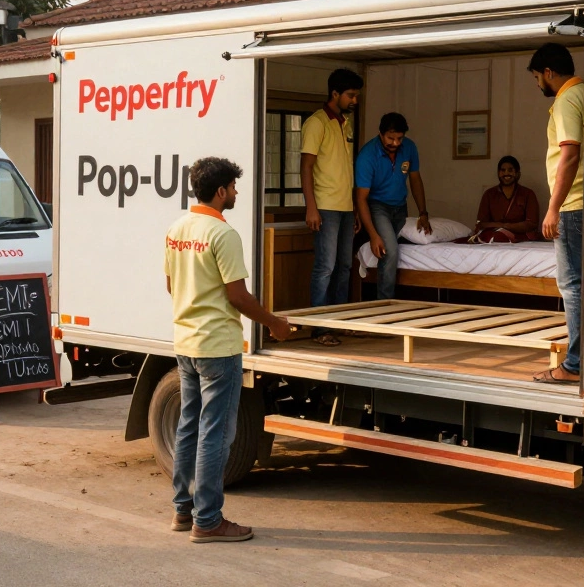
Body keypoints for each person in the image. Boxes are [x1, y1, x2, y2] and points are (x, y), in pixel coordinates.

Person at [164, 157, 292, 543]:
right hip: (218, 347)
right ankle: (209, 520)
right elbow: (237, 295)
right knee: (216, 435)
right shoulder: (223, 234)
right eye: (234, 188)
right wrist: (274, 322)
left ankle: (183, 512)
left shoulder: (177, 229)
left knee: (189, 428)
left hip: (185, 343)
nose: (236, 193)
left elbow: (172, 286)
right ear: (220, 191)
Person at [529, 43, 584, 384]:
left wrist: (553, 208)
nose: (538, 84)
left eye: (538, 77)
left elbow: (569, 155)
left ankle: (574, 365)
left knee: (572, 286)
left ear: (549, 73)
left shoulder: (565, 100)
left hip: (572, 205)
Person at [301, 68, 362, 346]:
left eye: (356, 96)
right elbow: (306, 167)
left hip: (346, 207)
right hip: (324, 206)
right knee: (325, 267)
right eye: (350, 95)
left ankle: (339, 321)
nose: (354, 101)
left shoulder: (345, 122)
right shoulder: (317, 122)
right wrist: (310, 207)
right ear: (335, 94)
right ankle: (319, 327)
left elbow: (344, 170)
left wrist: (356, 210)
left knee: (345, 266)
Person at [354, 112, 431, 300]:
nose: (395, 143)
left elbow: (415, 180)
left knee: (398, 249)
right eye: (390, 138)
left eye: (399, 138)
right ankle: (385, 304)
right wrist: (373, 235)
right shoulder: (367, 155)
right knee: (390, 250)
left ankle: (399, 299)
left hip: (400, 206)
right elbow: (361, 198)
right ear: (380, 134)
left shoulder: (410, 148)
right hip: (377, 206)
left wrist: (423, 213)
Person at [471, 155, 540, 242]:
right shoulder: (489, 194)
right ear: (498, 173)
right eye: (503, 170)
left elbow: (532, 224)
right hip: (495, 236)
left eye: (510, 170)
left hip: (521, 237)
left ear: (517, 173)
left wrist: (505, 227)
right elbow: (481, 224)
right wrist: (501, 227)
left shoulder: (528, 194)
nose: (506, 173)